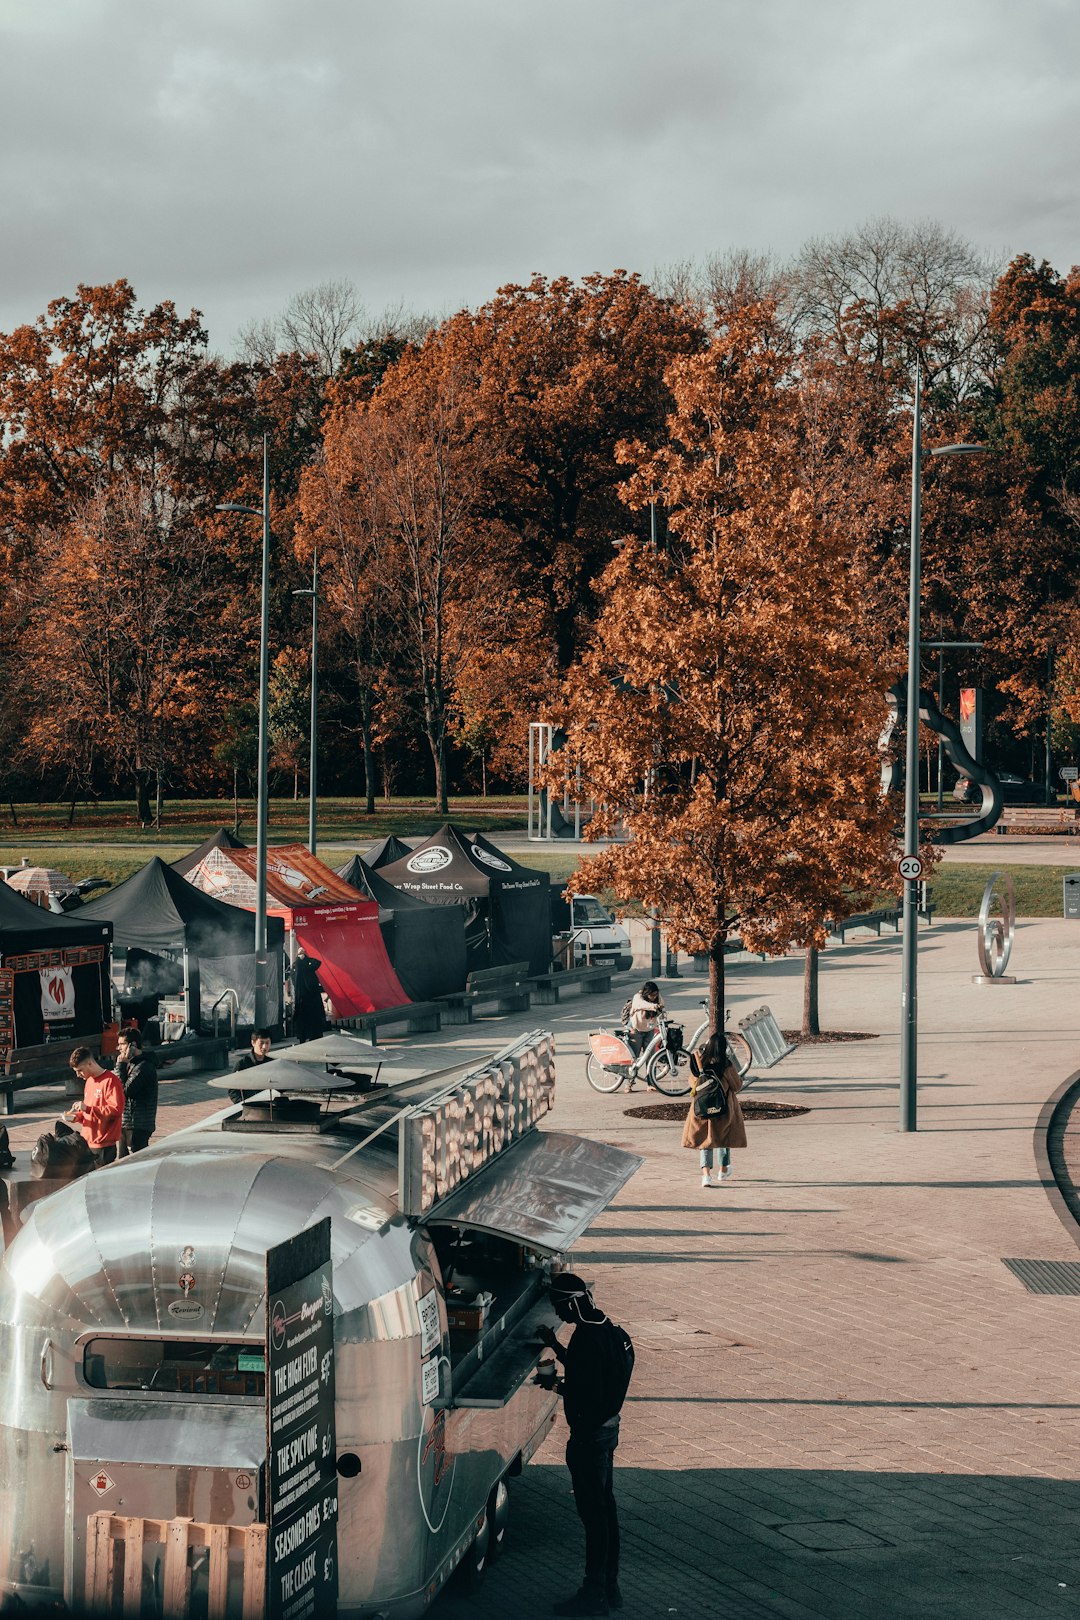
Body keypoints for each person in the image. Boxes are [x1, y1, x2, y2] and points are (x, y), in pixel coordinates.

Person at [538, 1274, 635, 1617]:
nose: (559, 1314)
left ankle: (593, 1595)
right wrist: (556, 1346)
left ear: (572, 1302)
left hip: (589, 1437)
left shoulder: (586, 1338)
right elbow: (594, 1370)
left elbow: (586, 1388)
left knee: (593, 1516)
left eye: (560, 1307)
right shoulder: (609, 1330)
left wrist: (554, 1385)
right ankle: (611, 1587)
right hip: (610, 1430)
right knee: (607, 1510)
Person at [683, 1030, 748, 1186]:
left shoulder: (699, 1063)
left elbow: (692, 1084)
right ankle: (723, 1170)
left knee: (705, 1141)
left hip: (702, 1109)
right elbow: (737, 1086)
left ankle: (706, 1175)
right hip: (722, 1108)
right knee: (723, 1137)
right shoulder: (725, 1065)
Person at [65, 1048, 124, 1166]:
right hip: (88, 1140)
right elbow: (90, 1110)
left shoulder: (110, 1081)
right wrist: (77, 1117)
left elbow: (116, 1110)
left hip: (103, 1144)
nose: (78, 1075)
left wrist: (87, 1109)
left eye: (80, 1070)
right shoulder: (89, 1081)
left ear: (90, 1064)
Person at [116, 1028, 158, 1156]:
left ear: (132, 1045)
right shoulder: (132, 1063)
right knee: (122, 1162)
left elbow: (125, 1090)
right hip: (128, 1122)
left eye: (122, 1044)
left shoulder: (144, 1067)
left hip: (138, 1124)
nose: (118, 1048)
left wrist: (120, 1066)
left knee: (136, 1161)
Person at [290, 947, 327, 1043]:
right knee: (312, 1024)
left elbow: (317, 962)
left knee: (304, 1024)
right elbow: (317, 962)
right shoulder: (307, 969)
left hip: (302, 1000)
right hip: (310, 999)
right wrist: (305, 958)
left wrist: (301, 957)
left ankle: (303, 1038)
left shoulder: (297, 969)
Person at [229, 1028, 273, 1104]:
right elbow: (233, 1091)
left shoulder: (272, 1063)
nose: (264, 1047)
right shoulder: (242, 1064)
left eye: (267, 1043)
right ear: (253, 1043)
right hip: (250, 1105)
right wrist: (243, 1103)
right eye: (261, 1043)